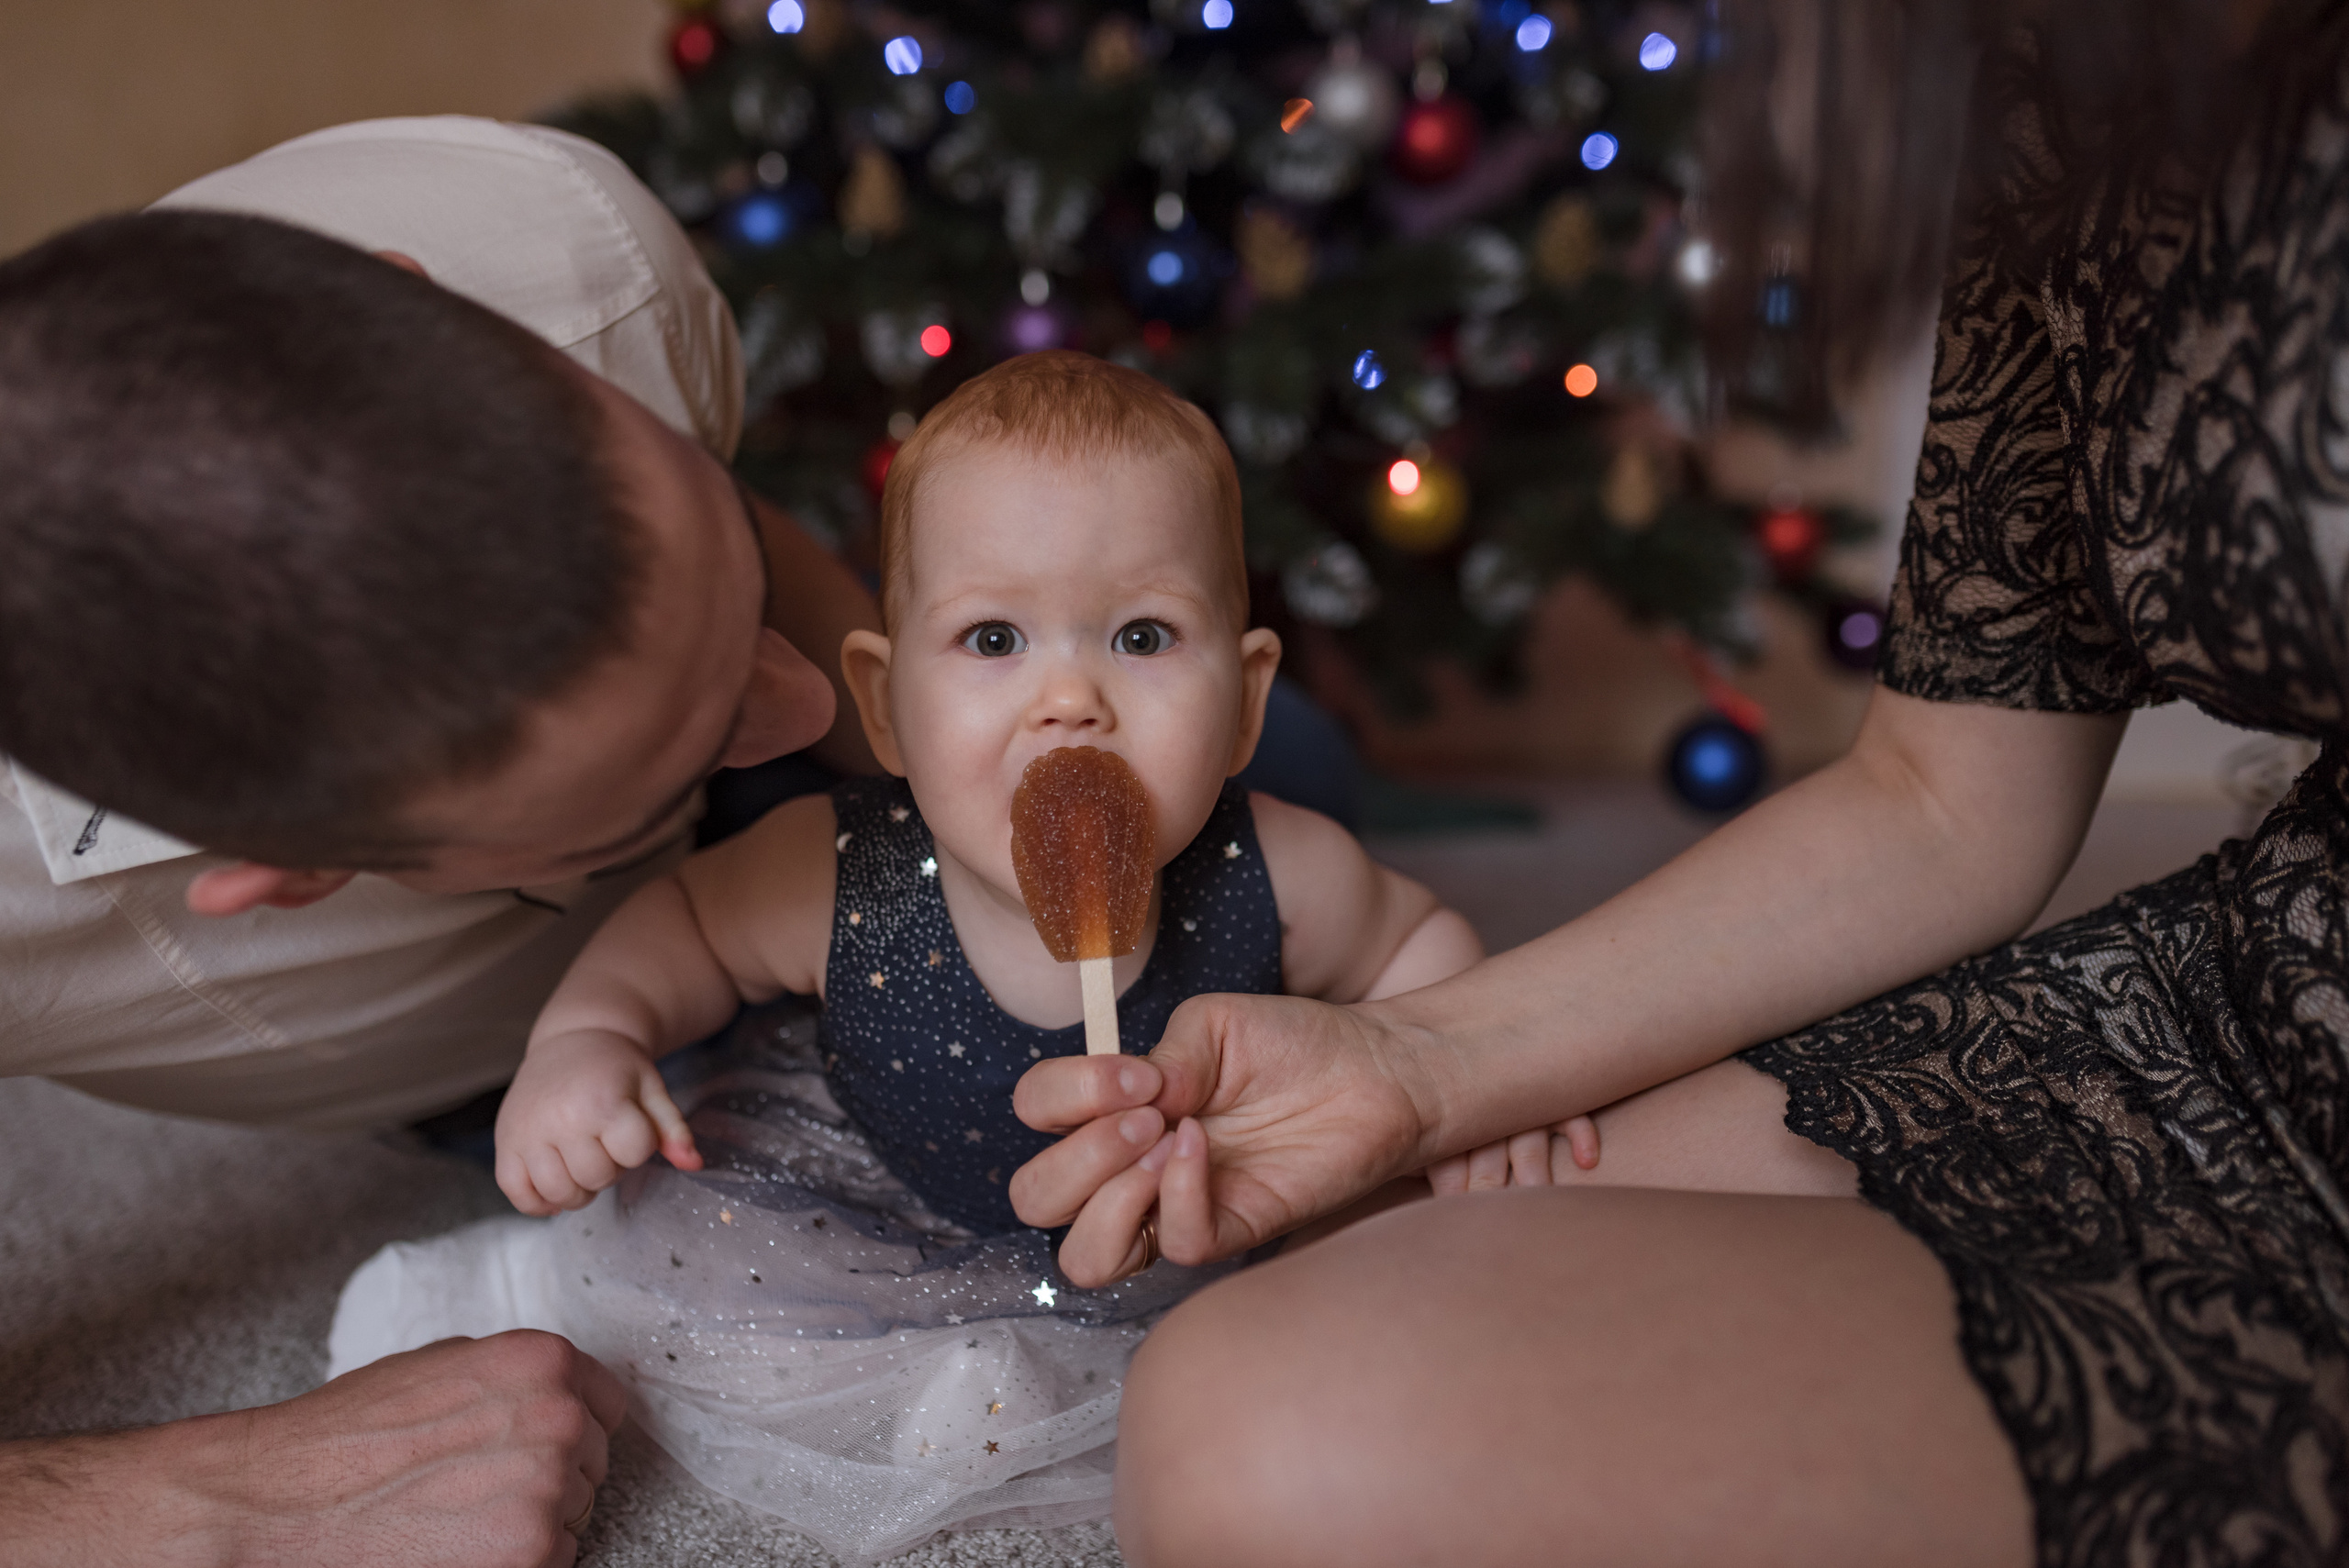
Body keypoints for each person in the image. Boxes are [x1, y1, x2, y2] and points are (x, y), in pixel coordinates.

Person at [1008, 5, 2349, 1565]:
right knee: (1347, 1272)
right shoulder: (2084, 68)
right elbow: (1950, 794)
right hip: (2256, 996)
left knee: (1281, 1450)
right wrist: (1416, 1064)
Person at [0, 118, 876, 1565]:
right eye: (656, 770)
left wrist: (926, 749)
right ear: (287, 874)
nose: (806, 709)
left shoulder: (563, 244)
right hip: (530, 1055)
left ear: (420, 290)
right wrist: (213, 1501)